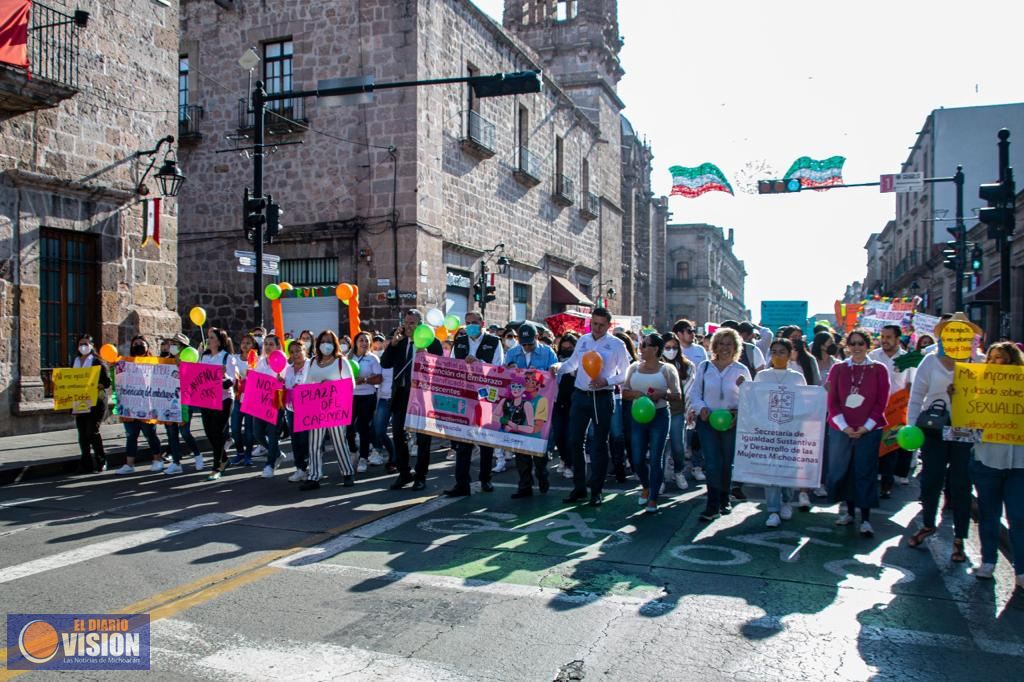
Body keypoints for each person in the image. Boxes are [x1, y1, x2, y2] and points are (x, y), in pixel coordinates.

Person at [906, 327, 973, 561]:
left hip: (964, 430)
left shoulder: (977, 361)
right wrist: (911, 428)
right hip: (934, 429)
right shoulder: (930, 361)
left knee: (961, 484)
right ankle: (927, 524)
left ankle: (959, 538)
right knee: (931, 479)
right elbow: (916, 397)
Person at [558, 307, 632, 507]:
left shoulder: (616, 345)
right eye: (594, 324)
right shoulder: (583, 340)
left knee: (599, 444)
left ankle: (596, 491)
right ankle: (579, 487)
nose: (597, 328)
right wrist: (557, 368)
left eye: (601, 325)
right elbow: (573, 364)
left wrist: (606, 380)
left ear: (609, 325)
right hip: (580, 395)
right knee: (575, 441)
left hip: (602, 397)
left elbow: (626, 374)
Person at [825, 329, 890, 538]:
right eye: (852, 343)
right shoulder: (838, 369)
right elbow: (832, 401)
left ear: (868, 345)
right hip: (842, 429)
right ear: (847, 345)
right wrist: (844, 427)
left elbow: (881, 401)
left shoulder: (879, 369)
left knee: (864, 471)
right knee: (843, 470)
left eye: (861, 343)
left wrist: (866, 427)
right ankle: (849, 512)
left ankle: (866, 518)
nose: (856, 347)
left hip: (868, 430)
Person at [970, 341, 1024, 586]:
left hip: (1019, 465)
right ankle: (988, 560)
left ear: (1013, 361)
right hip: (987, 460)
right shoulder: (976, 387)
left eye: (999, 358)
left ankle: (1021, 570)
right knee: (989, 514)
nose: (992, 362)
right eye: (990, 358)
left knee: (1019, 517)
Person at [688, 328, 752, 521]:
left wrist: (738, 409)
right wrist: (701, 409)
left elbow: (750, 398)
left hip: (731, 423)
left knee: (726, 462)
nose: (724, 348)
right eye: (721, 343)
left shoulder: (741, 370)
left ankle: (725, 497)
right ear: (714, 345)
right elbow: (694, 393)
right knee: (713, 462)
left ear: (735, 347)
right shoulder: (705, 367)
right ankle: (712, 504)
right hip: (708, 421)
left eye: (729, 344)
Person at [381, 309, 443, 491]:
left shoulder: (433, 343)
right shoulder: (399, 343)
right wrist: (392, 344)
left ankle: (421, 476)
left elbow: (440, 368)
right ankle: (404, 472)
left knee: (423, 438)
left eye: (412, 323)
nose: (408, 327)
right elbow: (385, 363)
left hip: (423, 396)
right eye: (406, 323)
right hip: (401, 395)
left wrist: (426, 354)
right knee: (399, 436)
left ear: (420, 325)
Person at [446, 311, 504, 497]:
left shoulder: (494, 342)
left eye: (474, 322)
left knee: (486, 439)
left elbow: (498, 368)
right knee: (463, 440)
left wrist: (478, 363)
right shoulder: (460, 342)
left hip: (486, 394)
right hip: (465, 394)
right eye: (468, 322)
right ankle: (461, 483)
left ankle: (485, 479)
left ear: (482, 323)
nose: (471, 325)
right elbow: (452, 366)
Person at [623, 332, 681, 513]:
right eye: (640, 345)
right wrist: (636, 395)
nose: (640, 348)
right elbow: (624, 392)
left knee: (656, 458)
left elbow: (678, 395)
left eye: (644, 345)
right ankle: (646, 485)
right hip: (637, 417)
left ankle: (653, 498)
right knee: (637, 458)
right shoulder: (633, 367)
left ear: (655, 349)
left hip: (659, 416)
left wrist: (661, 394)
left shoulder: (667, 369)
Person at [756, 339, 806, 527]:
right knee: (770, 469)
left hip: (789, 431)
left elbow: (803, 403)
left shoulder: (797, 377)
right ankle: (773, 509)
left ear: (789, 354)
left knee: (786, 467)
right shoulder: (762, 376)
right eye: (774, 352)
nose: (777, 356)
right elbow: (754, 401)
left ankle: (787, 500)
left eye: (782, 352)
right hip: (767, 430)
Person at [505, 322, 558, 498]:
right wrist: (509, 369)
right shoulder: (512, 353)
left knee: (539, 446)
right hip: (519, 404)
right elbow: (503, 376)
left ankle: (542, 474)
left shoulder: (547, 352)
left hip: (541, 404)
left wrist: (553, 369)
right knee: (520, 448)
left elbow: (556, 373)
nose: (527, 347)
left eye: (530, 343)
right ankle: (524, 485)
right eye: (524, 343)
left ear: (537, 338)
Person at [300, 330, 357, 490]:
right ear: (318, 344)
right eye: (324, 341)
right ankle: (314, 476)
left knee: (339, 441)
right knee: (314, 444)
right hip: (316, 409)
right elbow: (306, 383)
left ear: (335, 344)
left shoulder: (341, 362)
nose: (327, 344)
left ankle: (347, 472)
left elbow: (350, 385)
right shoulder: (312, 362)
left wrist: (330, 387)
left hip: (335, 409)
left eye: (330, 341)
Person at [869, 324, 913, 498]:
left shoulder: (908, 358)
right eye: (882, 337)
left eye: (888, 337)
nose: (884, 340)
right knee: (872, 446)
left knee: (891, 447)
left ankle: (886, 484)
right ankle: (871, 481)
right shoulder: (873, 356)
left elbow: (910, 384)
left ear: (897, 339)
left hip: (896, 410)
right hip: (874, 409)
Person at [115, 335, 165, 475]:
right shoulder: (126, 363)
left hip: (148, 405)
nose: (138, 345)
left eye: (141, 343)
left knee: (150, 434)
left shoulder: (155, 363)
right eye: (135, 343)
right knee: (131, 435)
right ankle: (129, 464)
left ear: (147, 346)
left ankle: (157, 459)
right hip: (131, 406)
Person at [200, 328, 237, 480]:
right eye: (208, 337)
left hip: (223, 399)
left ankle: (216, 467)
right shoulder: (204, 356)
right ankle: (225, 459)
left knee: (218, 432)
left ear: (220, 341)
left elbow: (231, 382)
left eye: (212, 338)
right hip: (206, 399)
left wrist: (223, 375)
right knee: (209, 432)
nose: (208, 340)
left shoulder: (227, 357)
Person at [71, 334, 111, 474]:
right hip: (80, 401)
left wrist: (98, 385)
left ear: (92, 346)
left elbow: (107, 381)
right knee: (82, 434)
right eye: (81, 343)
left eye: (86, 344)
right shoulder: (75, 361)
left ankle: (101, 460)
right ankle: (86, 462)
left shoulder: (97, 361)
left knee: (92, 431)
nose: (83, 346)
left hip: (96, 402)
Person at [250, 334, 287, 479]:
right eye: (266, 344)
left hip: (275, 404)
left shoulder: (283, 362)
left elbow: (286, 382)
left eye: (271, 344)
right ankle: (276, 453)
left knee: (273, 435)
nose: (268, 346)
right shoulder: (260, 361)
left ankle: (270, 464)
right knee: (258, 433)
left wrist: (282, 380)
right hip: (260, 404)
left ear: (278, 346)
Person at [165, 340, 204, 476]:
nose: (173, 346)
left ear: (184, 348)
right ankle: (176, 463)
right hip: (168, 403)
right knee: (171, 433)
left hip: (185, 403)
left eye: (177, 344)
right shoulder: (166, 362)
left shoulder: (190, 363)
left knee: (185, 432)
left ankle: (198, 455)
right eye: (172, 343)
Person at [661, 332, 695, 491]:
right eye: (667, 347)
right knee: (658, 447)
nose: (671, 351)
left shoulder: (686, 366)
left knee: (678, 445)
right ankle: (659, 478)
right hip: (658, 412)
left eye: (675, 347)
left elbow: (690, 390)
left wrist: (690, 410)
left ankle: (678, 472)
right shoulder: (653, 365)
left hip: (677, 412)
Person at [350, 331, 383, 473]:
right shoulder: (348, 357)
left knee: (363, 428)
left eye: (367, 341)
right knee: (348, 428)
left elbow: (379, 378)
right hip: (350, 397)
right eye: (361, 340)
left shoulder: (373, 359)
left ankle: (363, 457)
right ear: (356, 342)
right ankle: (353, 450)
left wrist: (364, 380)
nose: (364, 343)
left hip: (367, 396)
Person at [284, 338, 312, 482]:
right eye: (292, 352)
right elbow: (286, 387)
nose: (295, 354)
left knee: (306, 439)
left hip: (308, 409)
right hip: (292, 409)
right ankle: (300, 469)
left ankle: (311, 467)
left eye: (298, 351)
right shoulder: (288, 369)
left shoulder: (312, 365)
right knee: (295, 440)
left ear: (304, 351)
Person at [552, 333, 578, 479]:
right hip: (557, 402)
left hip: (573, 403)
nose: (567, 350)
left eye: (570, 348)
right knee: (558, 435)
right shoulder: (556, 360)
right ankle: (563, 457)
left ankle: (570, 463)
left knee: (570, 435)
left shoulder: (578, 361)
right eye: (564, 347)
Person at [229, 333, 257, 466]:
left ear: (253, 345)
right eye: (243, 342)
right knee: (235, 428)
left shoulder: (257, 360)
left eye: (248, 343)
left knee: (249, 431)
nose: (245, 345)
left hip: (251, 400)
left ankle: (248, 455)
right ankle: (239, 453)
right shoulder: (234, 358)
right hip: (238, 398)